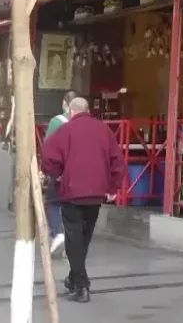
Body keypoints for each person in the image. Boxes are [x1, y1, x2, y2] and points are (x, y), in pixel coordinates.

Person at [39, 97, 124, 303]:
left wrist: (56, 175)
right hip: (96, 194)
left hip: (72, 192)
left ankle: (81, 285)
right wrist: (112, 188)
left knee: (73, 238)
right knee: (83, 238)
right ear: (88, 110)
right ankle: (73, 279)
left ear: (71, 112)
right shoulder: (104, 130)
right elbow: (118, 161)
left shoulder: (65, 131)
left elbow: (48, 155)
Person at [43, 92, 77, 256]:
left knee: (53, 202)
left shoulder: (57, 122)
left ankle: (58, 234)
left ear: (65, 104)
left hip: (61, 172)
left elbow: (48, 147)